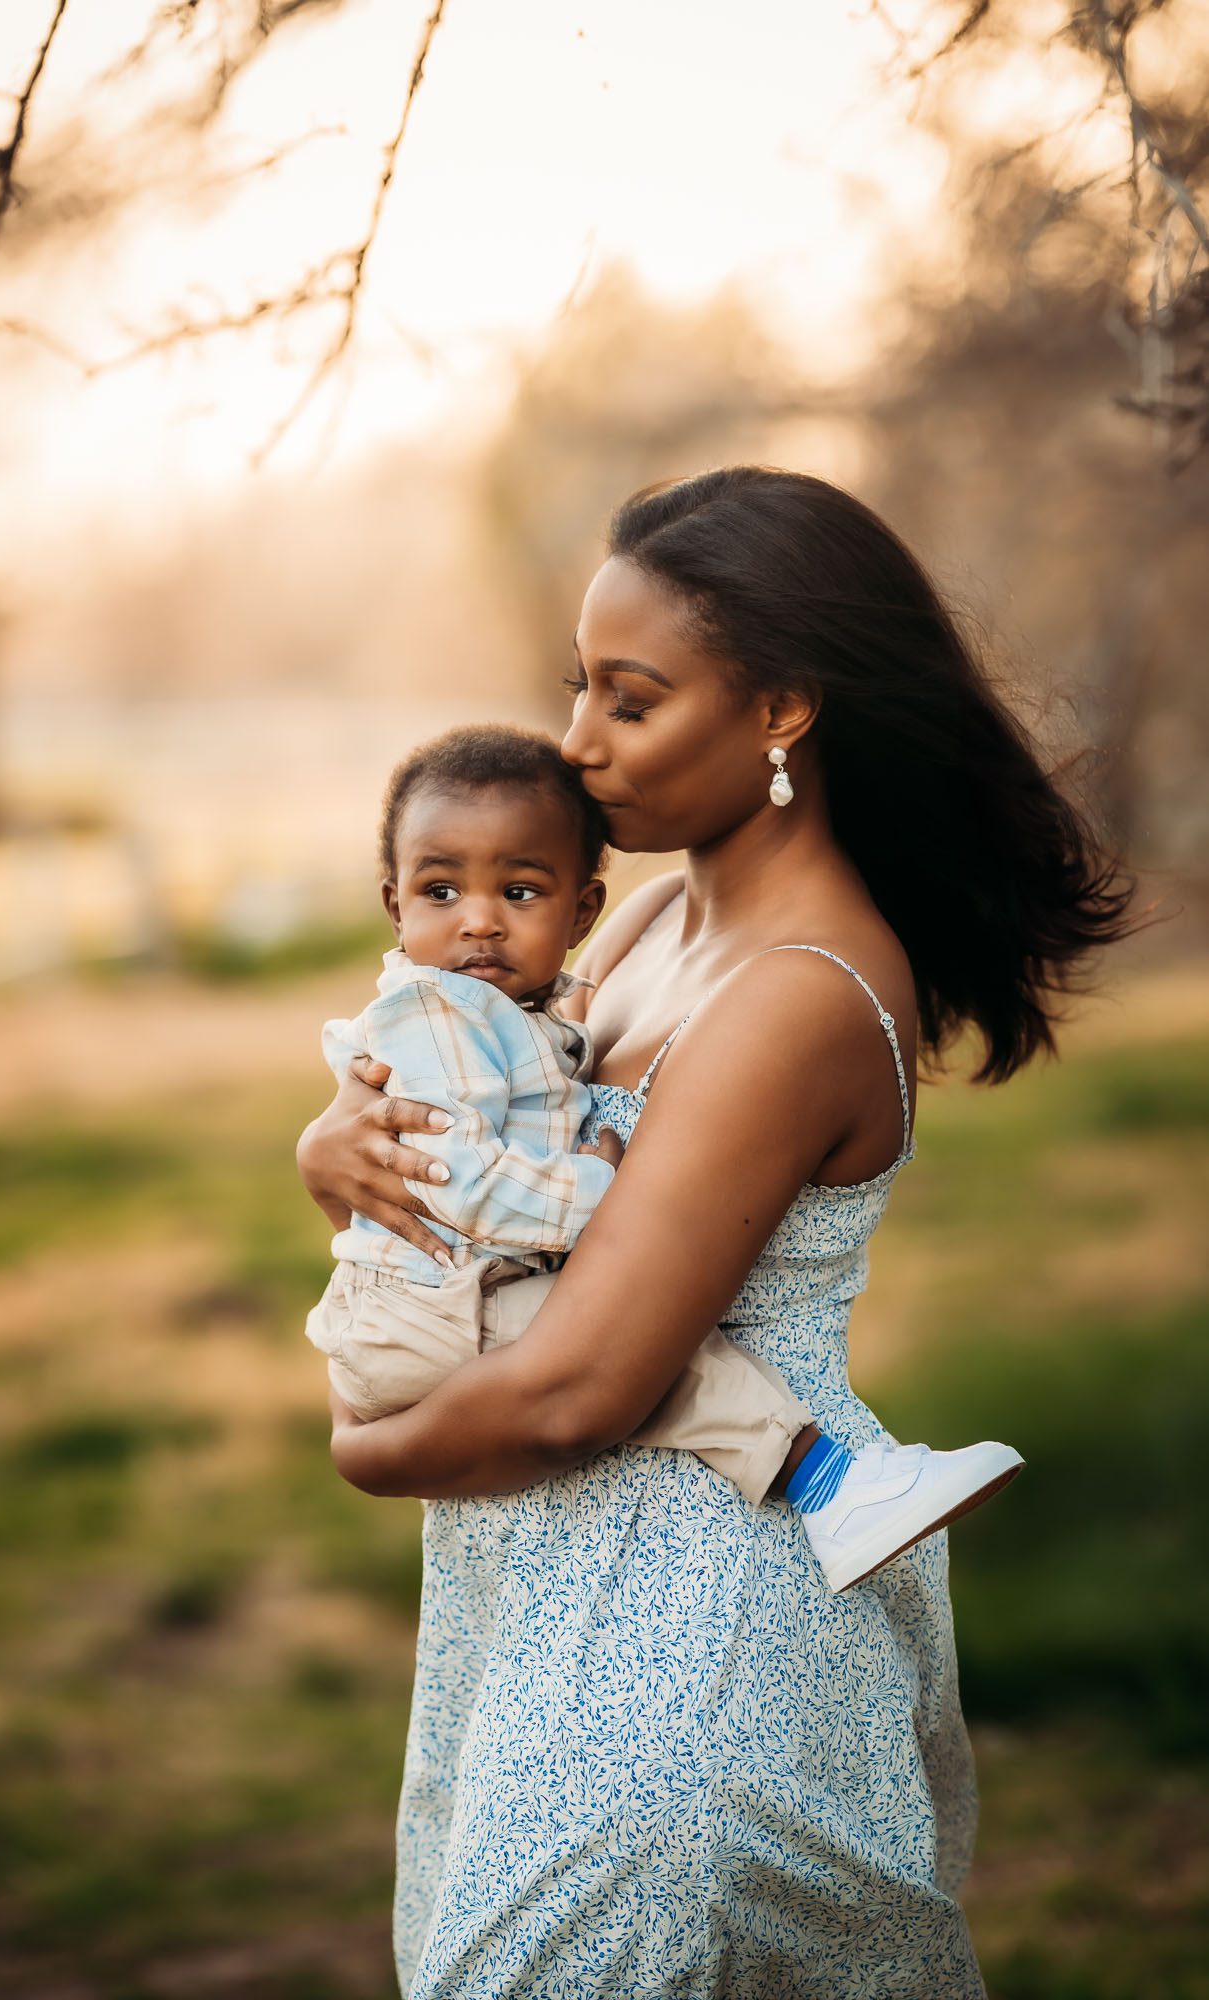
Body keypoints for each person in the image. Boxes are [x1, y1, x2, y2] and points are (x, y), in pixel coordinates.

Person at [297, 467, 1139, 1998]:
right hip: (549, 1587)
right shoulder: (644, 917)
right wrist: (334, 1146)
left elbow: (578, 1388)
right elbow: (477, 1117)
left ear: (778, 711)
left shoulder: (793, 992)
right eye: (579, 688)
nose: (577, 742)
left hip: (681, 1643)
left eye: (630, 699)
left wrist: (361, 1448)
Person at [309, 720, 1022, 1584]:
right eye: (441, 892)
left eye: (521, 894)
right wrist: (607, 1188)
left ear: (581, 912)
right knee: (672, 1364)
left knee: (622, 1344)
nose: (480, 924)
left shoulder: (543, 1001)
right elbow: (462, 1184)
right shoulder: (442, 1017)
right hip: (436, 1314)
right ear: (396, 905)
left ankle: (837, 1486)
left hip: (469, 1324)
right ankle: (830, 1486)